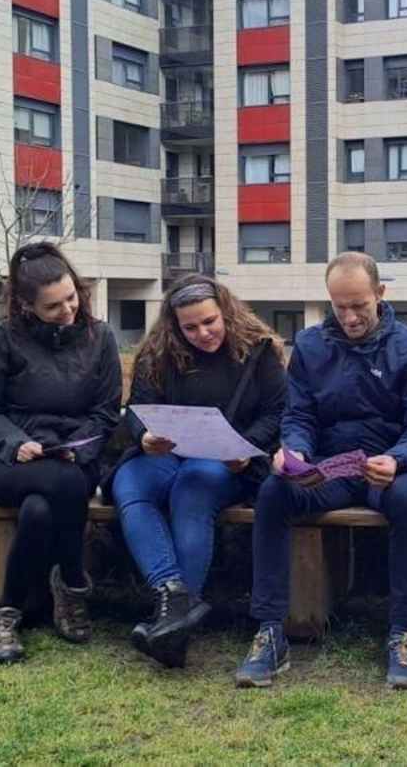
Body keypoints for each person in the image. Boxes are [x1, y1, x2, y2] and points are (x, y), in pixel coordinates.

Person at [234, 252, 407, 690]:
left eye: (359, 306)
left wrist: (399, 459)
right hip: (327, 469)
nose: (349, 316)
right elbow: (298, 415)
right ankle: (269, 630)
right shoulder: (309, 345)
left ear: (380, 295)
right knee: (273, 491)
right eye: (339, 306)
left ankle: (403, 631)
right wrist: (297, 451)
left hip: (387, 468)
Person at [104, 274, 286, 668]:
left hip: (226, 458)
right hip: (167, 452)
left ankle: (168, 622)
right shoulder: (158, 352)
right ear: (175, 326)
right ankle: (174, 601)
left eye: (210, 322)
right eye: (191, 327)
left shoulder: (258, 350)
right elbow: (137, 408)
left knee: (193, 488)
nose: (203, 333)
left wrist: (245, 448)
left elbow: (276, 413)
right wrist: (145, 436)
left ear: (225, 311)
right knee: (129, 483)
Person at [0, 242, 122, 665]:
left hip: (74, 457)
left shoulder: (101, 337)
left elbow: (107, 412)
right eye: (53, 306)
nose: (67, 310)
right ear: (25, 305)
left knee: (39, 509)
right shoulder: (3, 340)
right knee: (61, 484)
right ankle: (72, 583)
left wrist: (80, 446)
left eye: (71, 297)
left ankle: (7, 614)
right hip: (7, 462)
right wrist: (16, 444)